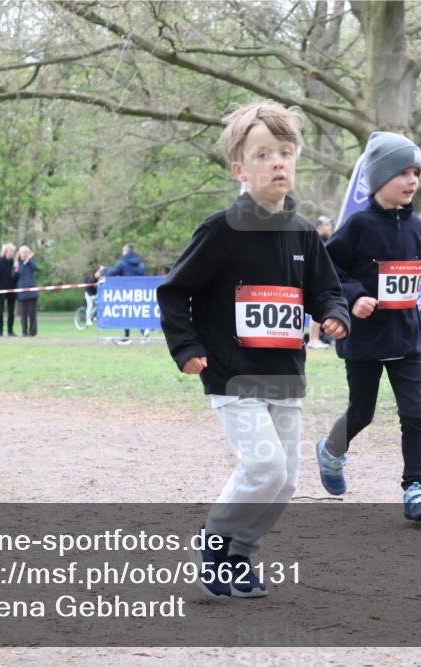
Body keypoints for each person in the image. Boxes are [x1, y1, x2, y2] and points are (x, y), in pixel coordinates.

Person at [157, 101, 349, 598]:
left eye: (286, 153)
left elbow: (326, 289)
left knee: (284, 482)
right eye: (264, 155)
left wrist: (334, 314)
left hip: (285, 374)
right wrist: (186, 346)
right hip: (232, 375)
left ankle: (239, 555)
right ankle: (213, 541)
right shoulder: (220, 230)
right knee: (263, 468)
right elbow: (175, 292)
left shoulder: (304, 231)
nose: (278, 163)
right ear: (241, 168)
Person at [315, 130, 421, 524]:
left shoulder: (416, 224)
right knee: (363, 412)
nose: (412, 180)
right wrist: (354, 297)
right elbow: (329, 270)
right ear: (380, 178)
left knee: (414, 413)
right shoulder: (358, 225)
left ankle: (415, 486)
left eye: (416, 172)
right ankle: (332, 450)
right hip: (365, 339)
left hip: (405, 336)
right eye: (402, 172)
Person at [103, 243, 147, 344]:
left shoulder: (122, 262)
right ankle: (144, 333)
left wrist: (105, 269)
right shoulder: (140, 264)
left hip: (126, 292)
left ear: (126, 251)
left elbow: (111, 273)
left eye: (123, 250)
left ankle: (127, 337)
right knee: (136, 313)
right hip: (139, 292)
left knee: (126, 313)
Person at [307, 216, 336, 349]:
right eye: (326, 225)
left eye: (330, 224)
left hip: (321, 278)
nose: (329, 227)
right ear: (319, 227)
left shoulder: (327, 241)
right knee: (316, 309)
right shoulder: (314, 240)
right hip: (314, 279)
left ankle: (315, 339)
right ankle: (313, 340)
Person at [0, 243, 19, 337]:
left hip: (12, 291)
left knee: (11, 312)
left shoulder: (14, 263)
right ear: (5, 252)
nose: (12, 253)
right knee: (0, 312)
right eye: (10, 251)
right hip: (1, 291)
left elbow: (16, 277)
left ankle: (10, 331)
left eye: (13, 252)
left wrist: (16, 270)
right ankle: (0, 331)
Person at [13, 245, 39, 337]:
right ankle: (24, 331)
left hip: (32, 293)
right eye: (23, 252)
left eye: (26, 252)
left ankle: (33, 332)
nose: (24, 254)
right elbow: (14, 276)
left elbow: (36, 268)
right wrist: (15, 269)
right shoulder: (18, 264)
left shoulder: (31, 262)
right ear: (20, 254)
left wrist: (29, 260)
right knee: (23, 315)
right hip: (22, 293)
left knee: (32, 314)